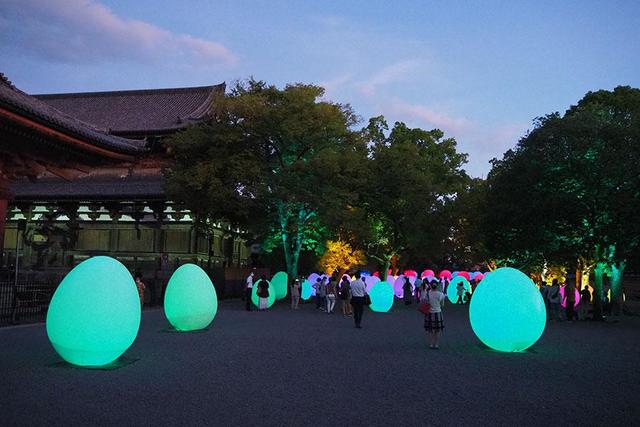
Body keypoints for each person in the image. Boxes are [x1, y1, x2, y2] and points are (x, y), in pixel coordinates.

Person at [424, 282, 446, 349]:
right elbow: (442, 305)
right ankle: (436, 344)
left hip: (430, 312)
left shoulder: (428, 294)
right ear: (437, 286)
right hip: (438, 312)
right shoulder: (441, 294)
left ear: (430, 286)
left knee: (431, 330)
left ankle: (431, 343)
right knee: (437, 330)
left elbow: (425, 302)